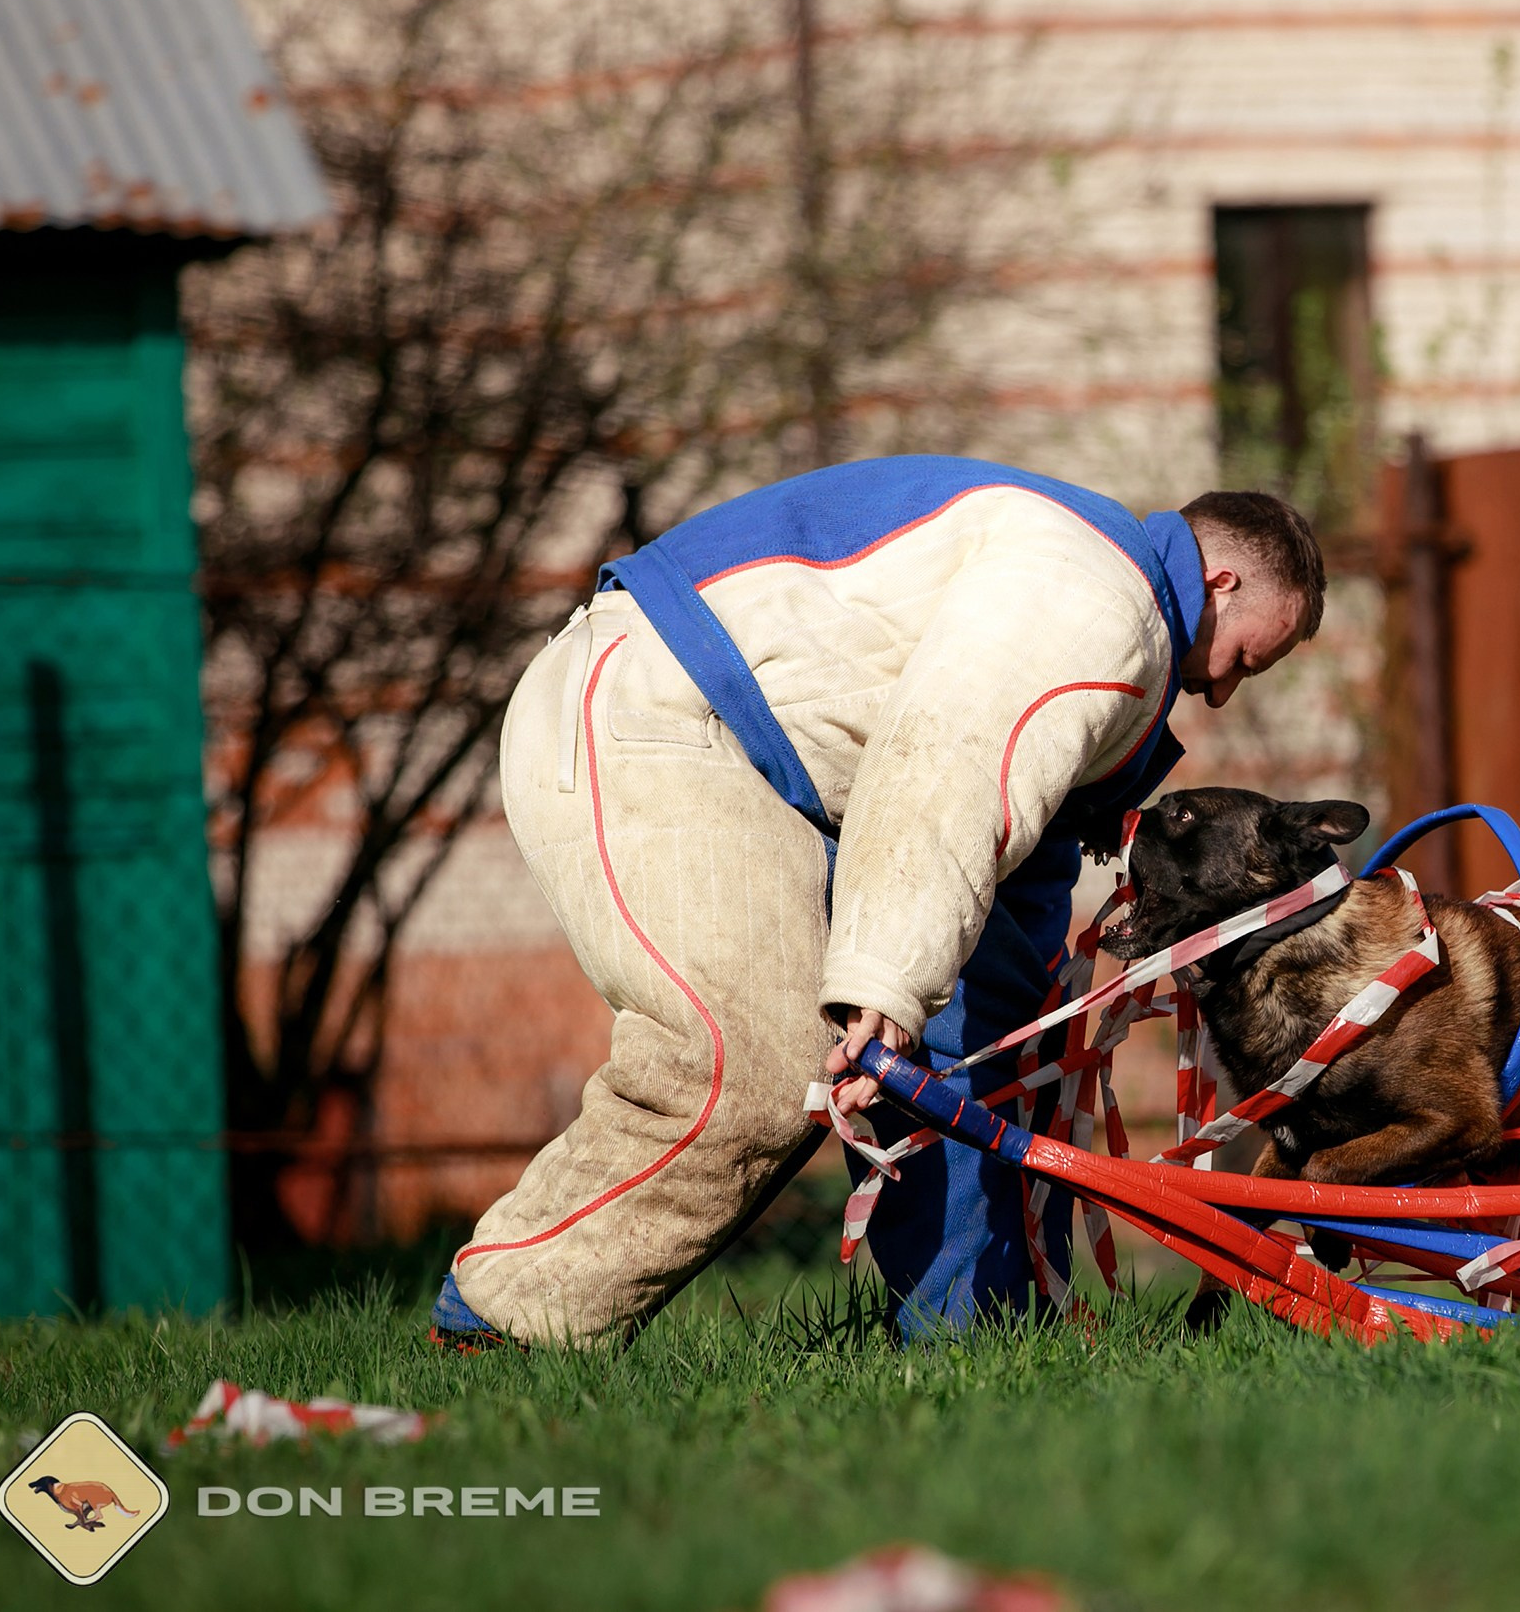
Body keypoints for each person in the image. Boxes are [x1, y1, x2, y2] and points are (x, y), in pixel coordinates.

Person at [430, 455, 1326, 1345]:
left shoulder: (1094, 595)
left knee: (966, 1049)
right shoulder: (1097, 598)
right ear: (1221, 578)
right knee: (755, 1066)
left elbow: (998, 967)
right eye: (1249, 654)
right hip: (657, 710)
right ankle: (507, 1316)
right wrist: (887, 983)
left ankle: (977, 1333)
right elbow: (945, 766)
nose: (1222, 688)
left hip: (736, 748)